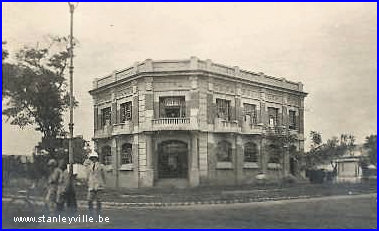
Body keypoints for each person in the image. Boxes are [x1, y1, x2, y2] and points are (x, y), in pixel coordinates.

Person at [85, 151, 106, 216]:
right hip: (91, 185)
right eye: (92, 158)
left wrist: (103, 184)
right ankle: (90, 213)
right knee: (89, 200)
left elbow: (103, 175)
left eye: (94, 158)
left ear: (97, 158)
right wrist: (87, 182)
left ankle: (98, 213)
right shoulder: (89, 166)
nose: (93, 160)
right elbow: (88, 175)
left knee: (98, 200)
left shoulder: (101, 166)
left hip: (98, 184)